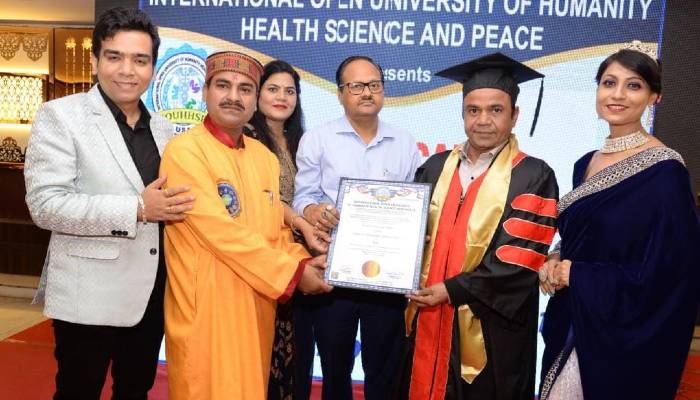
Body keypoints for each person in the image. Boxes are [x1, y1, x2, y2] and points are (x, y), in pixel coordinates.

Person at [23, 7, 194, 399]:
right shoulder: (60, 116)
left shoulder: (165, 129)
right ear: (95, 60)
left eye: (140, 60)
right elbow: (46, 205)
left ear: (153, 67)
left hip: (151, 296)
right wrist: (137, 208)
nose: (127, 70)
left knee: (135, 391)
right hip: (88, 297)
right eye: (115, 57)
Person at [160, 50, 332, 400]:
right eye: (223, 86)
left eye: (245, 89)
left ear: (255, 100)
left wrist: (304, 260)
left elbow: (273, 231)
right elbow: (221, 233)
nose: (233, 97)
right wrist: (295, 274)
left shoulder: (263, 158)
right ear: (204, 92)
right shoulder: (184, 152)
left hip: (255, 309)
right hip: (206, 313)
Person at [538, 43, 700, 400]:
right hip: (572, 316)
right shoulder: (585, 163)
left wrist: (578, 275)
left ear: (654, 97)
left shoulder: (665, 172)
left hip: (617, 339)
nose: (618, 95)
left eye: (634, 85)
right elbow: (587, 236)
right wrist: (555, 258)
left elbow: (673, 272)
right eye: (609, 83)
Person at [394, 52, 559, 400]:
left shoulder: (534, 176)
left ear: (514, 115)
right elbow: (407, 236)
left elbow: (518, 263)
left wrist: (451, 290)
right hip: (425, 321)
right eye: (473, 110)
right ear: (463, 113)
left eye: (495, 110)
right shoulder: (435, 167)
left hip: (489, 332)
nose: (483, 120)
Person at [293, 55, 423, 400]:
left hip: (388, 279)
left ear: (383, 90)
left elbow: (417, 202)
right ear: (340, 94)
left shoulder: (405, 142)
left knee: (385, 371)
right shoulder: (317, 139)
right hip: (335, 273)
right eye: (356, 86)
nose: (367, 92)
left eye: (374, 85)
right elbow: (302, 198)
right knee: (334, 371)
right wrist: (314, 210)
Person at [243, 59, 324, 400]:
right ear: (257, 94)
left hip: (302, 257)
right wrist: (300, 222)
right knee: (265, 353)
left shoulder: (303, 140)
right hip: (265, 257)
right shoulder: (245, 138)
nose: (281, 97)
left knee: (298, 353)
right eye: (273, 89)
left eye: (289, 91)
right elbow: (263, 199)